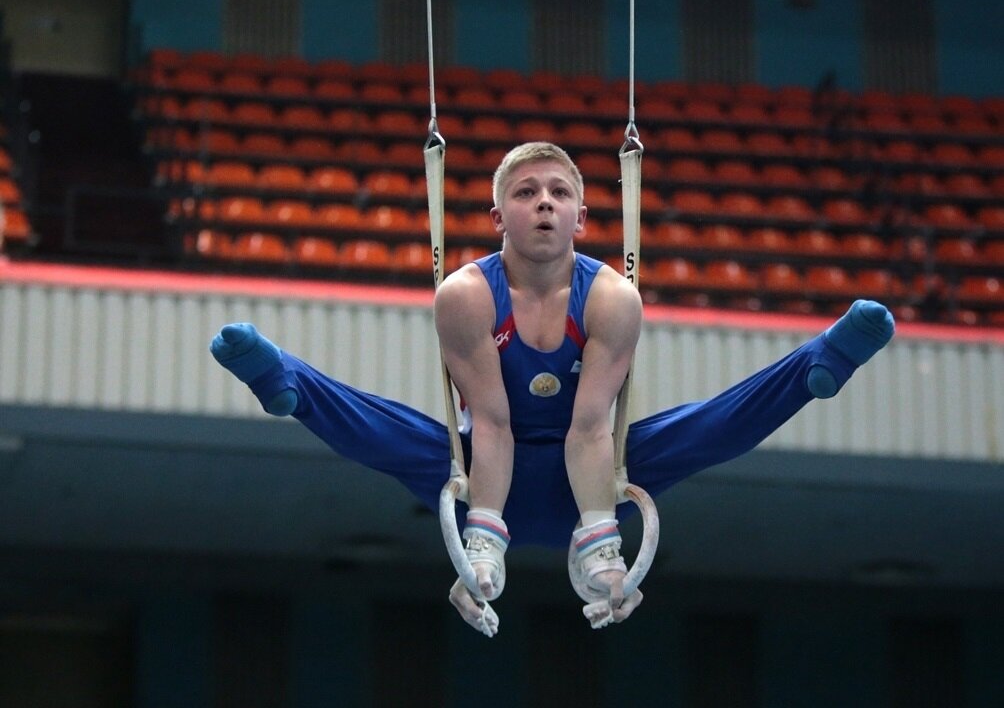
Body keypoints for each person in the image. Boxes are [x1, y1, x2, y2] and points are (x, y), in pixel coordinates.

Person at [211, 142, 895, 636]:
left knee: (695, 431)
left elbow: (592, 425)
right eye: (526, 191)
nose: (544, 202)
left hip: (593, 471)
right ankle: (289, 383)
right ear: (497, 216)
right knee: (405, 437)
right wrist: (481, 541)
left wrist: (601, 544)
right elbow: (495, 424)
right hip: (486, 468)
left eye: (559, 193)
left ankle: (815, 366)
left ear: (582, 219)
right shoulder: (467, 295)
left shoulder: (613, 299)